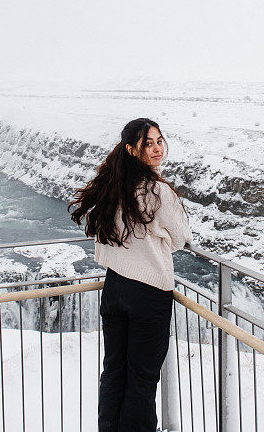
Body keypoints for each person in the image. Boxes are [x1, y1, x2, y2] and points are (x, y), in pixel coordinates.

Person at [68, 117, 192, 432]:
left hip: (115, 289)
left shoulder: (113, 185)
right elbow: (179, 238)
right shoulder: (158, 192)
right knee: (142, 380)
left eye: (159, 141)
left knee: (114, 372)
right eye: (148, 143)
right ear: (131, 149)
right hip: (149, 294)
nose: (156, 149)